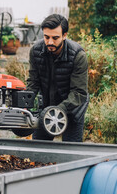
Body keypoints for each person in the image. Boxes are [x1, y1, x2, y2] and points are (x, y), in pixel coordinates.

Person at [26, 13, 89, 142]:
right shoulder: (35, 51)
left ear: (64, 35)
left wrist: (57, 110)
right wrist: (24, 105)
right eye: (46, 37)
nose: (50, 42)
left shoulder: (78, 55)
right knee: (38, 148)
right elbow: (33, 82)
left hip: (73, 111)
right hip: (46, 110)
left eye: (55, 38)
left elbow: (79, 93)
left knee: (70, 152)